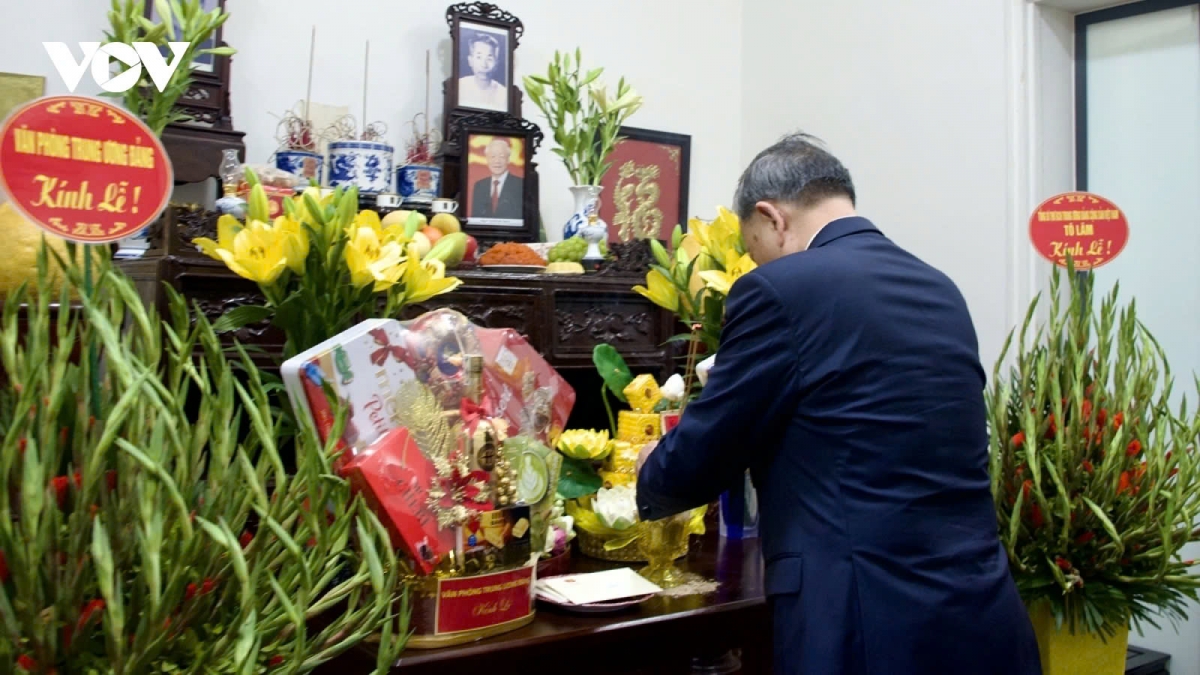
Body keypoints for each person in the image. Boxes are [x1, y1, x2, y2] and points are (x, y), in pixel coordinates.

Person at [635, 133, 1042, 675]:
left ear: (771, 217)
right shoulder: (938, 287)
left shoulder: (778, 288)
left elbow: (712, 445)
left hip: (862, 622)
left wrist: (652, 473)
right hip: (979, 611)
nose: (759, 262)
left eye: (755, 246)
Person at [470, 137, 523, 220]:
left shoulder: (520, 185)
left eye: (501, 156)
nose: (497, 161)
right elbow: (475, 218)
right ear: (487, 159)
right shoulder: (479, 186)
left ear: (508, 159)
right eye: (493, 157)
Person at [458, 32, 508, 111]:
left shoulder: (504, 94)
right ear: (470, 61)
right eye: (479, 57)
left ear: (496, 63)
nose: (484, 64)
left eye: (489, 58)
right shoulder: (459, 86)